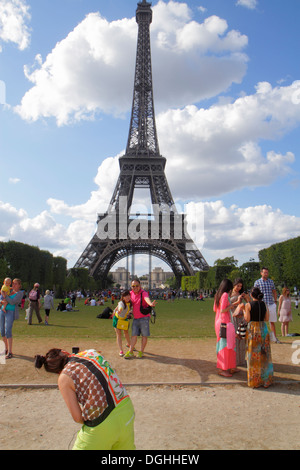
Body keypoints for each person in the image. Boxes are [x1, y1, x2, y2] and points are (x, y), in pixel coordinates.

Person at [34, 348, 135, 450]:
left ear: (57, 371)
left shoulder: (64, 377)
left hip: (102, 423)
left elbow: (77, 417)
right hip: (126, 409)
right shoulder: (91, 352)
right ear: (64, 352)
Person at [244, 287, 273, 388]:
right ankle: (266, 380)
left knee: (253, 356)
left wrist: (244, 311)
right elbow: (267, 318)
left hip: (253, 329)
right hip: (263, 329)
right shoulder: (264, 304)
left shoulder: (248, 305)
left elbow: (247, 319)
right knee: (264, 355)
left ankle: (255, 381)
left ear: (251, 295)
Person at [124, 279, 156, 359]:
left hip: (144, 318)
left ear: (140, 286)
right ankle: (131, 351)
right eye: (133, 286)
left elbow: (146, 299)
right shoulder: (130, 293)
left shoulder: (143, 293)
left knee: (144, 336)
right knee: (134, 335)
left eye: (137, 286)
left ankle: (141, 352)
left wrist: (150, 304)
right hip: (136, 318)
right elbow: (124, 301)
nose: (135, 287)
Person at [214, 279, 236, 377]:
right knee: (226, 346)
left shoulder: (217, 295)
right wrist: (231, 306)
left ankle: (229, 366)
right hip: (224, 322)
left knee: (226, 345)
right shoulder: (225, 295)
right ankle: (223, 369)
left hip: (219, 321)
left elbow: (215, 309)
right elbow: (223, 310)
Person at [254, 267, 280, 343]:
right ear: (261, 273)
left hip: (271, 303)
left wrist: (275, 301)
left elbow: (274, 291)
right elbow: (255, 293)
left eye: (267, 272)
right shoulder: (257, 282)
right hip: (261, 304)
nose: (266, 274)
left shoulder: (271, 282)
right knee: (261, 321)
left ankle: (274, 338)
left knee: (272, 322)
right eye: (264, 272)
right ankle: (261, 338)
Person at [0, 278, 23, 359]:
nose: (13, 285)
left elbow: (13, 302)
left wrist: (5, 295)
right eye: (13, 283)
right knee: (2, 330)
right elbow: (1, 299)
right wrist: (1, 301)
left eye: (15, 283)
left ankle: (10, 352)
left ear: (19, 285)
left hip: (10, 312)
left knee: (8, 330)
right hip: (2, 311)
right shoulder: (8, 290)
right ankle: (5, 349)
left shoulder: (20, 293)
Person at [230, 278, 250, 367]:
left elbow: (249, 304)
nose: (239, 288)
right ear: (234, 284)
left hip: (241, 318)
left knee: (242, 338)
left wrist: (246, 298)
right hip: (233, 317)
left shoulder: (240, 294)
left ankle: (241, 359)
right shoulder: (229, 294)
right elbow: (227, 306)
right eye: (238, 286)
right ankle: (236, 359)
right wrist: (237, 301)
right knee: (235, 338)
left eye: (240, 286)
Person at [113, 290, 132, 356]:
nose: (127, 297)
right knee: (119, 334)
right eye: (125, 296)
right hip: (117, 319)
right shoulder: (121, 303)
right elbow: (120, 307)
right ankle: (121, 350)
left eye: (128, 295)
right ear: (123, 297)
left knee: (126, 332)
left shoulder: (130, 303)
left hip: (124, 319)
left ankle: (129, 344)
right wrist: (119, 310)